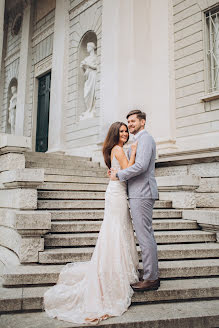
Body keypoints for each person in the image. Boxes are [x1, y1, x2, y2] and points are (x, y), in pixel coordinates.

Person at [44, 122, 139, 324]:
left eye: (125, 131)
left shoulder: (114, 149)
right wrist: (134, 153)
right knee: (116, 230)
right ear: (115, 134)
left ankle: (116, 267)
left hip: (115, 192)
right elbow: (129, 170)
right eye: (121, 131)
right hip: (116, 195)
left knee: (116, 230)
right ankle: (115, 270)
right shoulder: (119, 150)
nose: (124, 133)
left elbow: (120, 172)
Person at [110, 109, 160, 292]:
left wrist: (120, 174)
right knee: (145, 235)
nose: (130, 125)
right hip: (138, 192)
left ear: (143, 122)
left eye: (133, 121)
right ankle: (151, 275)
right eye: (128, 122)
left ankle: (151, 278)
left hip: (143, 192)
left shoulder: (145, 139)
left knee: (145, 236)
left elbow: (141, 166)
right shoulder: (137, 141)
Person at [80, 42, 97, 120]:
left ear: (92, 47)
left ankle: (92, 109)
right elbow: (84, 71)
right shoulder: (86, 59)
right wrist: (82, 66)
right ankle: (88, 109)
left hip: (93, 75)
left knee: (92, 92)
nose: (87, 48)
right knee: (86, 94)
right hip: (87, 77)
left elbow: (96, 66)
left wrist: (88, 65)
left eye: (88, 46)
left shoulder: (96, 57)